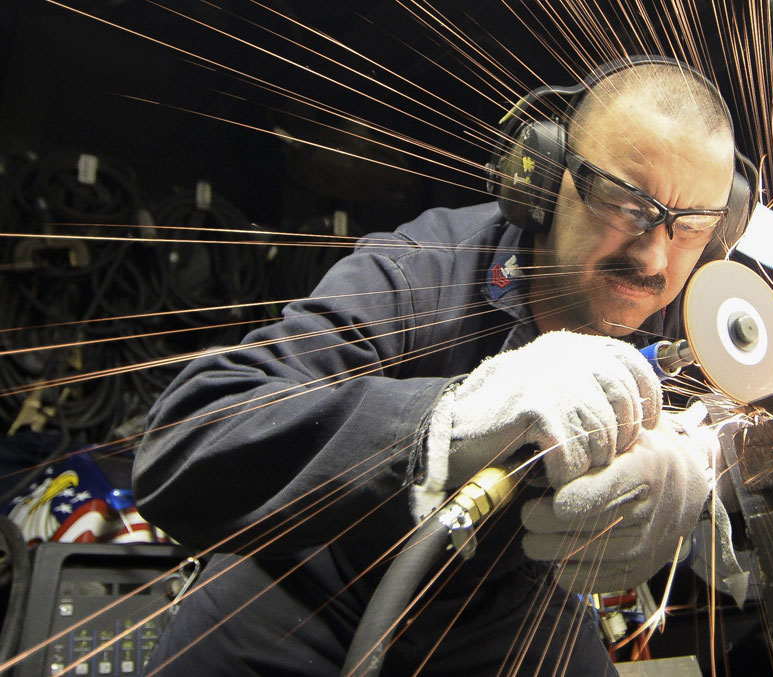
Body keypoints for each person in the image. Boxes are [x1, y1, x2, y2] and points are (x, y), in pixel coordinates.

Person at [135, 56, 742, 675]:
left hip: (503, 604)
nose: (655, 259)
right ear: (543, 179)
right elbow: (183, 443)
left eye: (692, 227)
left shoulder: (693, 314)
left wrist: (698, 474)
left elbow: (760, 440)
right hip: (309, 586)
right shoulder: (419, 271)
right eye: (627, 205)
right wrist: (443, 426)